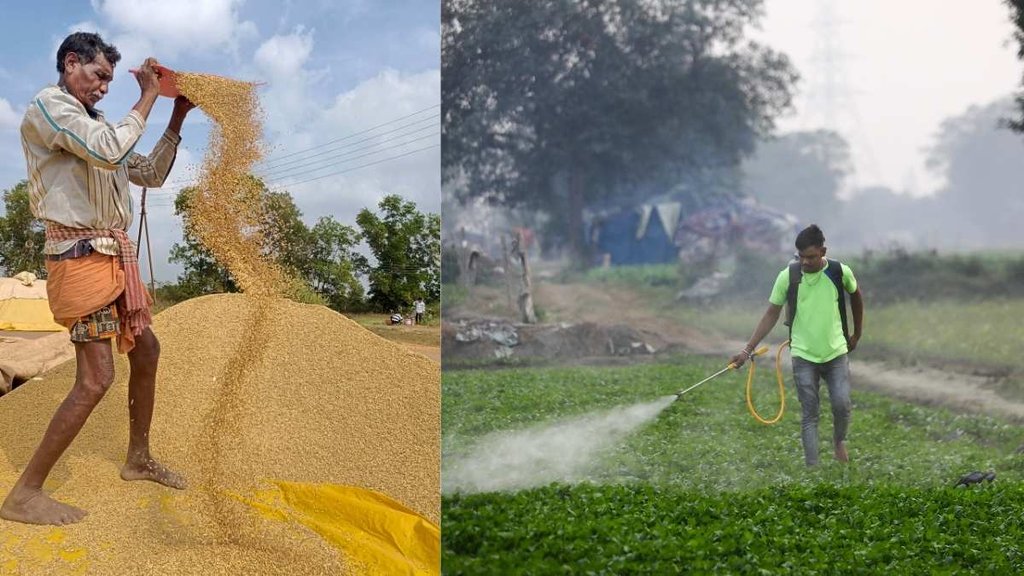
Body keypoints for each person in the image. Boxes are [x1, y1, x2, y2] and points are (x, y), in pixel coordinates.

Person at [0, 32, 195, 526]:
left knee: (147, 350)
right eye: (99, 76)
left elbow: (147, 172)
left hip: (112, 259)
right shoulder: (51, 108)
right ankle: (25, 494)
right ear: (71, 63)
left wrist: (176, 115)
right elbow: (109, 152)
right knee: (96, 378)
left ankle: (137, 458)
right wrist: (148, 94)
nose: (104, 87)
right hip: (79, 260)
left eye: (110, 78)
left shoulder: (100, 126)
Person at [730, 224, 864, 467]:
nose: (805, 262)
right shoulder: (789, 276)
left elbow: (856, 296)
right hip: (803, 354)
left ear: (823, 251)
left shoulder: (838, 271)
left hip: (835, 352)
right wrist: (747, 350)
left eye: (811, 257)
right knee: (809, 413)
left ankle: (839, 441)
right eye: (801, 257)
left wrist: (856, 335)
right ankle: (812, 468)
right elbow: (771, 314)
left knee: (841, 404)